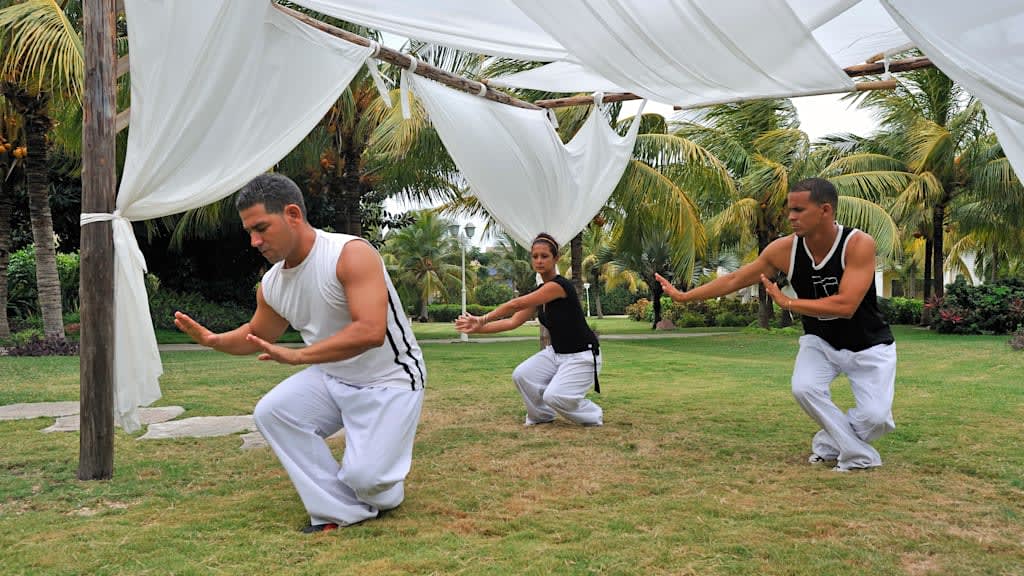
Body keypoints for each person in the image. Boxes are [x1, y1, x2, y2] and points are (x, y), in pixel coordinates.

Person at [173, 173, 426, 532]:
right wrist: (214, 340)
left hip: (390, 379)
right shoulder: (272, 284)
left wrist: (300, 357)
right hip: (333, 376)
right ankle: (339, 510)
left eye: (261, 227)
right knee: (274, 412)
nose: (254, 241)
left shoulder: (350, 254)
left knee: (368, 481)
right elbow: (256, 334)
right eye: (249, 231)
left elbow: (370, 330)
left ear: (292, 214)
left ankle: (381, 488)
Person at [655, 178, 896, 472]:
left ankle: (829, 443)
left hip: (868, 343)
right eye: (789, 209)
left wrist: (790, 304)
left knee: (876, 418)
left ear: (825, 210)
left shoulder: (858, 244)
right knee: (804, 388)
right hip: (820, 341)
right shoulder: (783, 250)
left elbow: (846, 305)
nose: (791, 217)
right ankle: (858, 456)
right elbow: (734, 279)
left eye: (799, 209)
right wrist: (684, 296)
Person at [455, 233, 603, 427]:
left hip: (582, 356)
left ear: (556, 258)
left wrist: (482, 318)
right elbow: (513, 322)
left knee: (554, 396)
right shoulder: (540, 290)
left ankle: (593, 416)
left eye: (544, 256)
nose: (539, 261)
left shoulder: (558, 286)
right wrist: (477, 329)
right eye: (535, 256)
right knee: (523, 375)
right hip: (557, 353)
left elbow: (517, 303)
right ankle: (541, 416)